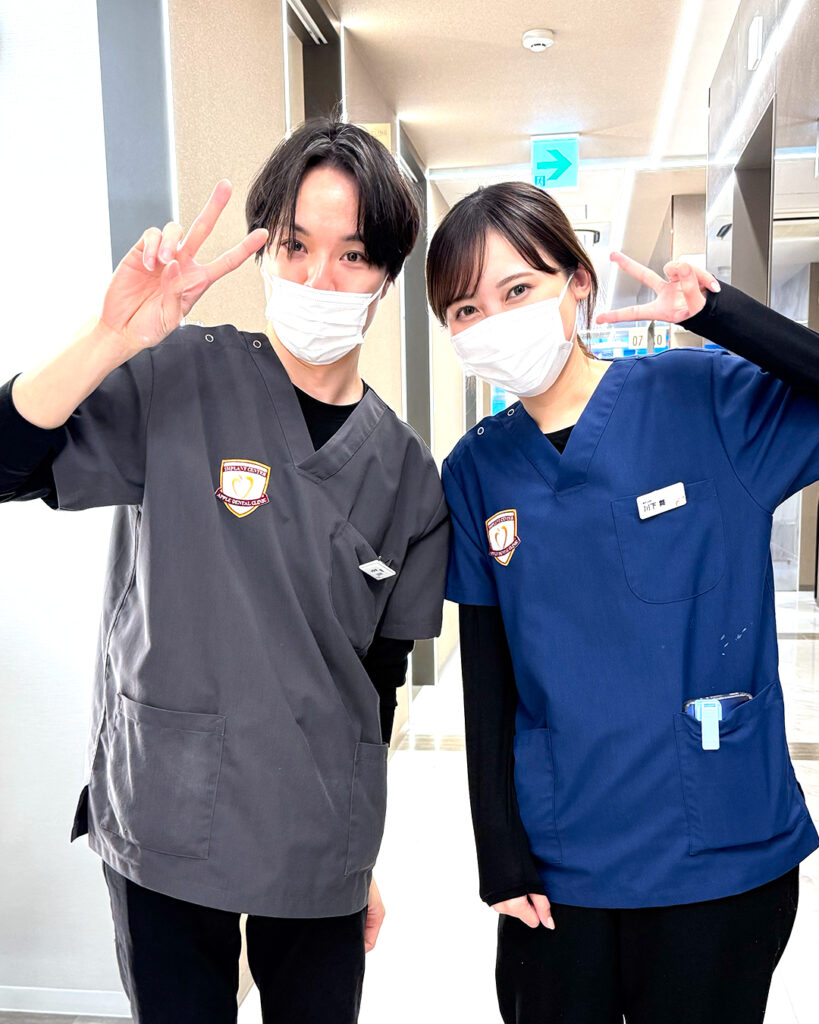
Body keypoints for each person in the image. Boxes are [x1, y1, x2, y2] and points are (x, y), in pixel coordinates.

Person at [0, 117, 449, 1024]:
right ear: (265, 253)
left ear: (387, 275)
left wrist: (355, 853)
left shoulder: (404, 471)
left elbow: (378, 683)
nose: (318, 279)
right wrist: (109, 337)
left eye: (353, 255)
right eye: (295, 246)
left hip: (318, 832)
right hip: (167, 810)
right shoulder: (176, 380)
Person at [425, 180, 819, 1024]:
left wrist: (723, 316)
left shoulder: (699, 398)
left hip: (719, 847)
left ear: (577, 281)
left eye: (515, 290)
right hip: (562, 859)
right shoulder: (476, 469)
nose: (491, 321)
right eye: (464, 309)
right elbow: (487, 672)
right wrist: (499, 854)